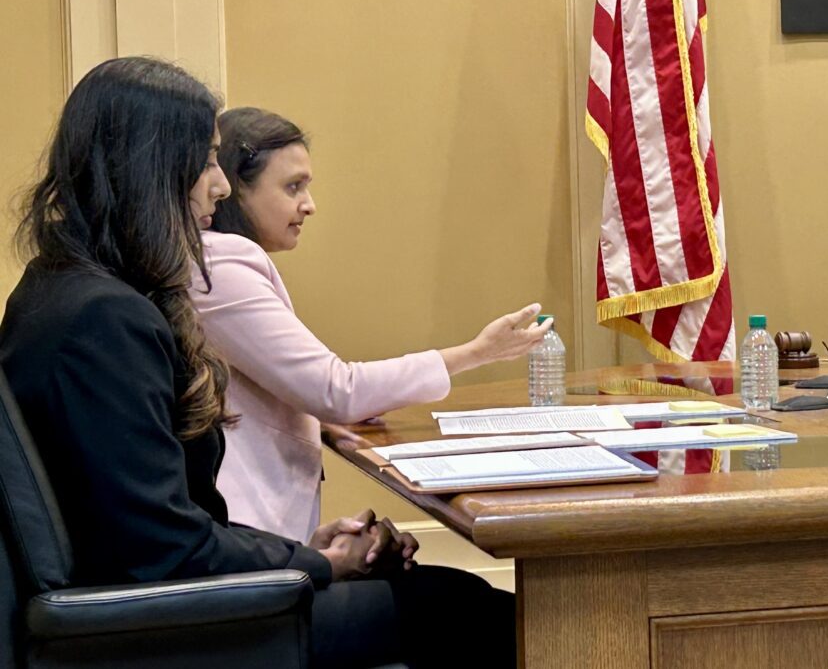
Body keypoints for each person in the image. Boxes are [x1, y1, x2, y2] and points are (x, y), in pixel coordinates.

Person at [0, 57, 513, 668]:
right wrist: (318, 564)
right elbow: (163, 546)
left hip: (162, 606)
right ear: (151, 169)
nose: (219, 185)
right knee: (469, 610)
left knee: (453, 595)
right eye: (206, 160)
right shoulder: (105, 320)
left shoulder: (53, 286)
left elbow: (157, 520)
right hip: (173, 629)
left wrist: (295, 553)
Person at [191, 106, 549, 543]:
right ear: (237, 189)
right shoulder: (219, 265)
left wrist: (316, 419)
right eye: (293, 187)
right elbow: (336, 390)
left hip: (266, 545)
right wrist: (478, 352)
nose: (310, 205)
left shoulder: (218, 261)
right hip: (251, 555)